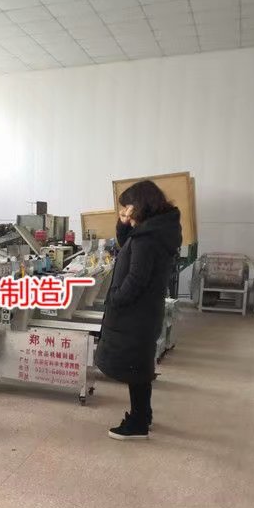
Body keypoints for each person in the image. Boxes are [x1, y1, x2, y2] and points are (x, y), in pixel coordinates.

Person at [94, 180, 182, 441]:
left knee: (136, 367)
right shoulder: (154, 231)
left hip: (135, 313)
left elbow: (136, 279)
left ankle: (138, 423)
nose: (124, 212)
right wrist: (123, 222)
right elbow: (127, 243)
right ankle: (143, 414)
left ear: (140, 205)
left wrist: (115, 298)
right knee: (139, 366)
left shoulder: (147, 238)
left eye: (127, 208)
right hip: (144, 312)